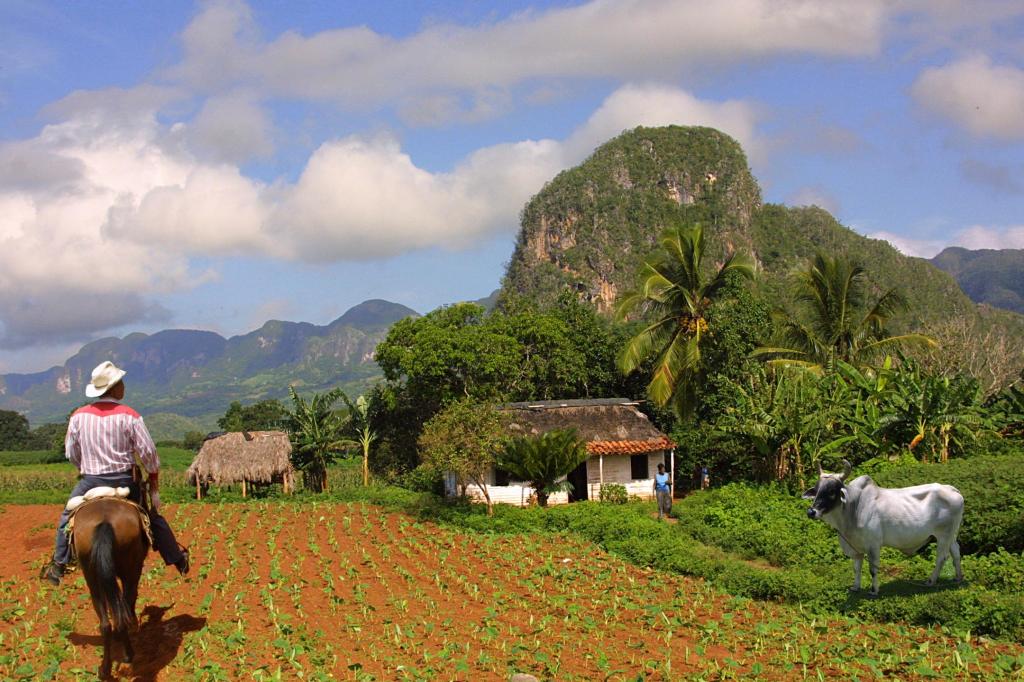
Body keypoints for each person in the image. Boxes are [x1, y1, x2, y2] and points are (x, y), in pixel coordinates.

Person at [42, 361, 189, 585]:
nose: (124, 386)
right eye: (121, 382)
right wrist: (153, 477)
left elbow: (71, 453)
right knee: (151, 517)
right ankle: (176, 557)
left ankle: (59, 564)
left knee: (67, 517)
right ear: (114, 387)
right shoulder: (130, 416)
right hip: (125, 480)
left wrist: (84, 467)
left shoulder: (78, 416)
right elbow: (148, 452)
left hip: (90, 482)